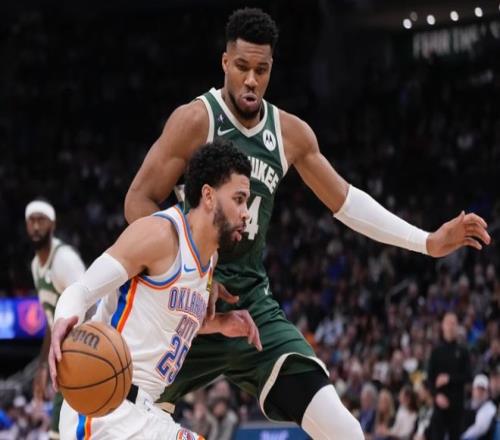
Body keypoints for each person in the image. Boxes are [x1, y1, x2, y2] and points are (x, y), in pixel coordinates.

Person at [124, 8, 491, 439]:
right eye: (241, 67)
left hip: (252, 308)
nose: (251, 80)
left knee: (345, 430)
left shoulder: (289, 133)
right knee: (112, 411)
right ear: (224, 62)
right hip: (185, 307)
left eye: (261, 70)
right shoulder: (194, 121)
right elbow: (138, 199)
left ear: (271, 68)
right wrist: (191, 271)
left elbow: (347, 202)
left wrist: (427, 241)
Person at [48, 140, 262, 440]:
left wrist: (219, 324)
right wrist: (63, 319)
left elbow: (164, 316)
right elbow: (82, 290)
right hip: (106, 403)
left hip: (145, 411)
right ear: (208, 196)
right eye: (239, 199)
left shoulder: (210, 259)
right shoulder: (160, 235)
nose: (246, 213)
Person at [26, 199, 86, 440]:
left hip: (82, 354)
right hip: (65, 360)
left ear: (52, 224)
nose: (35, 226)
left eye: (41, 220)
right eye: (31, 221)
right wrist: (42, 366)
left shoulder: (64, 259)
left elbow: (90, 303)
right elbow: (53, 323)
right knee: (58, 433)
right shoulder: (35, 266)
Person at [427, 312, 472, 440]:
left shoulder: (463, 351)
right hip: (439, 405)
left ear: (457, 326)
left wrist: (449, 378)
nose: (451, 326)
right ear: (443, 326)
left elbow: (468, 376)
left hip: (457, 405)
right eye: (448, 323)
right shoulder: (436, 351)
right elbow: (430, 379)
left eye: (454, 323)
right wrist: (436, 396)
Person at [461, 374, 497, 440]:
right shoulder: (467, 406)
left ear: (487, 392)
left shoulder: (490, 408)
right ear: (473, 390)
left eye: (482, 390)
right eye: (478, 389)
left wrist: (460, 437)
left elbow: (479, 429)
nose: (480, 393)